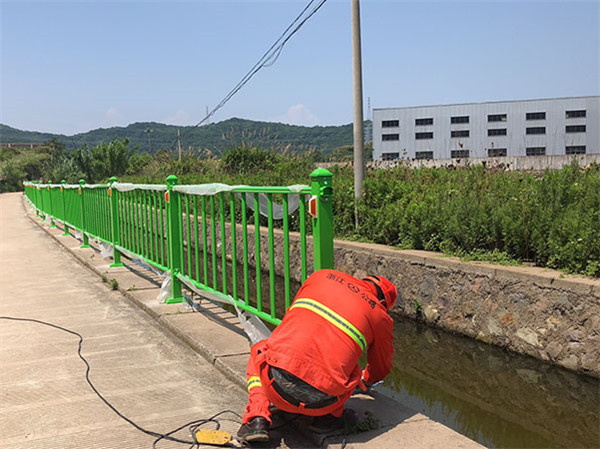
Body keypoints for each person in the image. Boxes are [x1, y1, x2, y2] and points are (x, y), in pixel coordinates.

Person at [237, 269, 397, 443]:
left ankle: (257, 418)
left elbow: (295, 320)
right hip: (324, 403)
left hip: (276, 388)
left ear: (364, 280)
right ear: (382, 302)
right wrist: (367, 381)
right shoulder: (379, 315)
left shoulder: (320, 276)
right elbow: (381, 367)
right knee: (352, 370)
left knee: (260, 349)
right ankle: (327, 418)